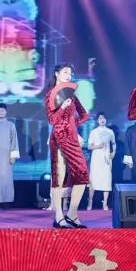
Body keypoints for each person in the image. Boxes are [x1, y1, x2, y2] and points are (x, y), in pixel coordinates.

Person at [45, 63, 90, 228]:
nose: (68, 75)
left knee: (83, 175)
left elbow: (85, 115)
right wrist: (62, 108)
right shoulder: (50, 94)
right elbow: (52, 120)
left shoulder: (72, 95)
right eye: (65, 72)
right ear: (57, 73)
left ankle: (72, 214)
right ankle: (58, 216)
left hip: (72, 138)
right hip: (58, 138)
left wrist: (73, 127)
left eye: (70, 73)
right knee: (58, 177)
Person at [86, 112, 116, 210]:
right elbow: (89, 146)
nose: (102, 120)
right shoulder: (93, 132)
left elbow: (114, 143)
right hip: (96, 158)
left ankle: (105, 203)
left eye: (104, 118)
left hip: (106, 158)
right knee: (93, 180)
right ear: (97, 120)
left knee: (106, 179)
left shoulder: (110, 132)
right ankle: (90, 202)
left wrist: (113, 152)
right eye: (100, 118)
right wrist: (98, 146)